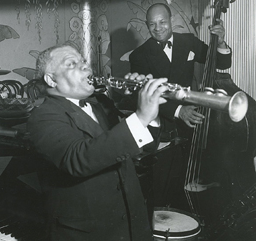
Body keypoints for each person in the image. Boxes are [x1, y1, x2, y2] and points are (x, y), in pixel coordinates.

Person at [27, 43, 168, 240]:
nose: (85, 66)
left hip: (132, 228)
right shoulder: (42, 116)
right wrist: (141, 117)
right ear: (51, 80)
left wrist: (147, 111)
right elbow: (78, 159)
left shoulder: (102, 103)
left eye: (83, 61)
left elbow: (145, 147)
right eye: (71, 63)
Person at [128, 3, 233, 211]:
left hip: (193, 122)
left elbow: (220, 63)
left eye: (162, 22)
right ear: (147, 26)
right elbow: (143, 95)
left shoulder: (188, 41)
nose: (158, 28)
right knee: (164, 187)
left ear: (172, 20)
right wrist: (178, 111)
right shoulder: (138, 56)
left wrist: (220, 42)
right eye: (152, 24)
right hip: (164, 127)